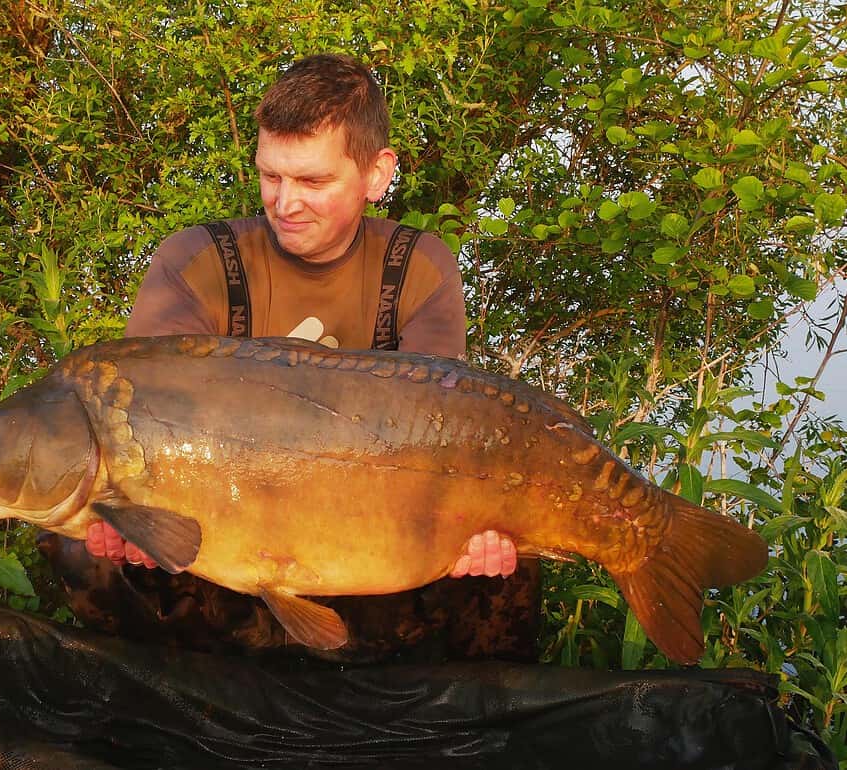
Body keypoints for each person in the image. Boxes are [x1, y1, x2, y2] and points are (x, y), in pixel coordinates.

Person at [41, 53, 542, 663]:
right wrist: (137, 524)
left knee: (507, 567)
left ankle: (438, 729)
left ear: (377, 174)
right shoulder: (198, 262)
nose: (286, 203)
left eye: (313, 182)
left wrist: (470, 534)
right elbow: (139, 434)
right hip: (216, 548)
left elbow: (435, 447)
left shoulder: (419, 268)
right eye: (271, 176)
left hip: (363, 548)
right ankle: (179, 705)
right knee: (81, 544)